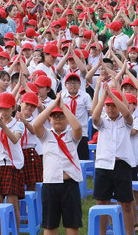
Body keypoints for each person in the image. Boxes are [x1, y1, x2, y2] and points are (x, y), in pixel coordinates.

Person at [32, 93, 84, 235]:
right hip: (51, 184)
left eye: (61, 116)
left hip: (70, 184)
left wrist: (63, 108)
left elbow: (78, 127)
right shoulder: (46, 135)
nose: (58, 119)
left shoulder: (71, 135)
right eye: (55, 116)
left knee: (72, 225)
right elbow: (36, 124)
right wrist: (53, 105)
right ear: (50, 119)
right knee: (50, 225)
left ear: (67, 118)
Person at [91, 79, 137, 235]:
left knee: (126, 203)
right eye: (108, 105)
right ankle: (102, 232)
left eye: (113, 105)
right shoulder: (103, 121)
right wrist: (103, 97)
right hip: (104, 165)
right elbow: (95, 117)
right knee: (102, 202)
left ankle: (129, 233)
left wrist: (112, 94)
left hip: (121, 165)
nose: (110, 108)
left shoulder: (125, 122)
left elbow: (127, 113)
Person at [0, 92, 25, 230]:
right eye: (0, 109)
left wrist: (3, 127)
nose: (3, 112)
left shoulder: (19, 125)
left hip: (12, 164)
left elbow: (15, 139)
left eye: (6, 109)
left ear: (13, 108)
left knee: (12, 201)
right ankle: (1, 231)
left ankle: (15, 231)